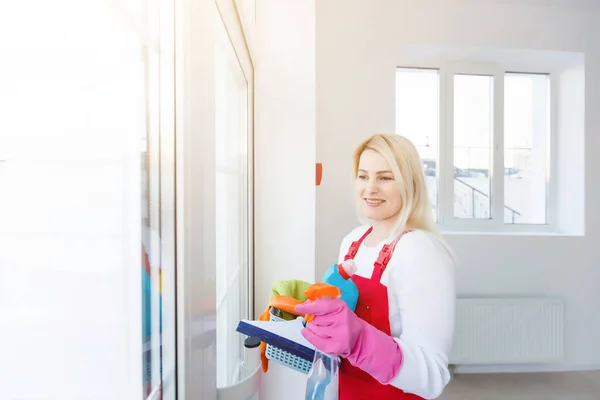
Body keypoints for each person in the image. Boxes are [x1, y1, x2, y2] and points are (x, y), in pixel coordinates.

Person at [295, 133, 456, 399]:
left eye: (385, 177)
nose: (370, 188)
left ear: (410, 183)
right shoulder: (353, 241)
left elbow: (432, 376)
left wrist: (360, 340)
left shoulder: (420, 251)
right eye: (363, 176)